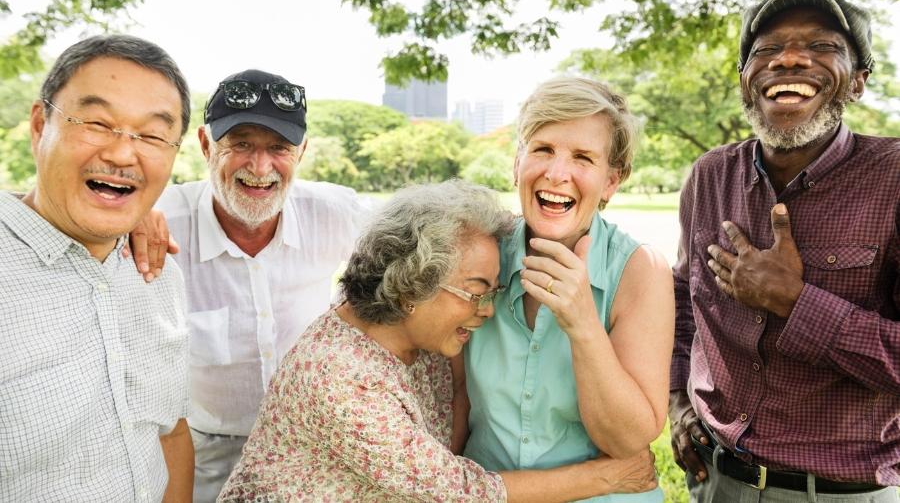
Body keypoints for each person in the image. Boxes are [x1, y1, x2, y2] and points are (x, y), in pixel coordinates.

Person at [218, 179, 658, 502]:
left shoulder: (420, 342)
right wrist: (609, 477)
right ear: (413, 286)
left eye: (494, 292)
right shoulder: (339, 376)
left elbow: (454, 411)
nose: (487, 309)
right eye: (476, 290)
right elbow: (457, 492)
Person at [669, 0, 900, 501]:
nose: (789, 59)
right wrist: (677, 401)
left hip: (844, 493)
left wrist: (796, 304)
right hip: (716, 480)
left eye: (821, 46)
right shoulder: (710, 175)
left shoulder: (895, 179)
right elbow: (683, 298)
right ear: (745, 79)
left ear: (857, 81)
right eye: (767, 48)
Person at [129, 68, 371, 502]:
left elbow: (422, 240)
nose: (260, 168)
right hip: (204, 451)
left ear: (301, 151)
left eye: (278, 148)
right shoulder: (159, 219)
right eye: (241, 144)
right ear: (205, 145)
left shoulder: (335, 211)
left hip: (313, 445)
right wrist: (130, 214)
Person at [463, 77, 675, 502]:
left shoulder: (640, 270)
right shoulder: (477, 253)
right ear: (517, 162)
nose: (557, 174)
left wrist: (582, 323)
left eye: (582, 157)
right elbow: (453, 402)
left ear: (611, 181)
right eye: (543, 149)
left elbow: (627, 441)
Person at [0, 35, 193, 501]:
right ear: (39, 124)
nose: (124, 154)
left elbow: (169, 432)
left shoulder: (158, 270)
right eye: (97, 122)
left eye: (151, 135)